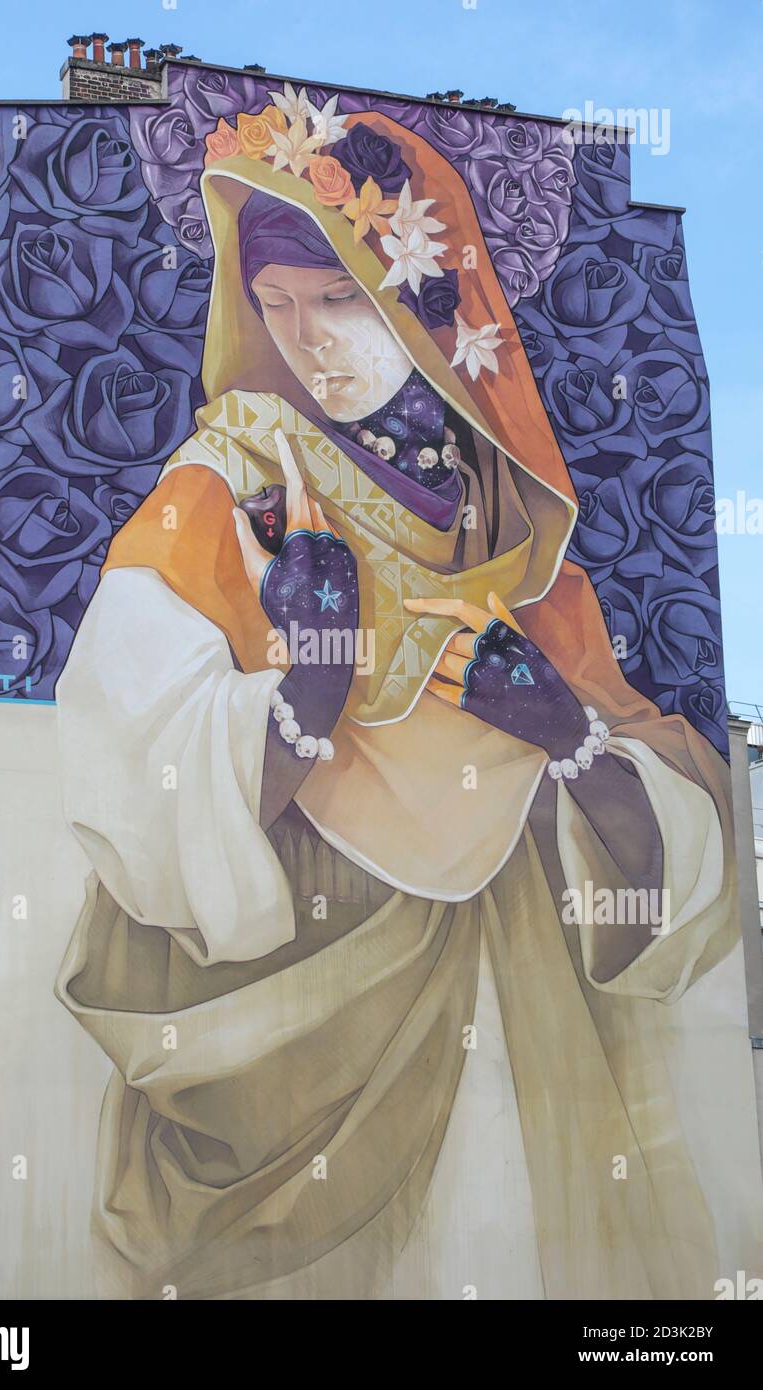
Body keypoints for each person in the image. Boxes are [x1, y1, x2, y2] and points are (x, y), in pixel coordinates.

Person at [54, 111, 755, 1300]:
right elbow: (125, 765)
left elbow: (687, 876)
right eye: (275, 304)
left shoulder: (508, 525)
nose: (306, 343)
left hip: (518, 1003)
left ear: (426, 300)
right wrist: (305, 696)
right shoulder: (227, 483)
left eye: (337, 299)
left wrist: (568, 738)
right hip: (287, 1028)